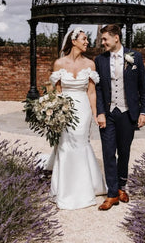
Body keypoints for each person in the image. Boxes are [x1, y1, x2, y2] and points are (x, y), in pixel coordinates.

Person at [47, 27, 107, 210]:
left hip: (82, 108)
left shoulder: (90, 64)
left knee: (80, 141)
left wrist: (96, 113)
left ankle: (84, 187)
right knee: (66, 143)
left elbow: (91, 92)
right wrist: (54, 111)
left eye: (87, 39)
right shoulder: (59, 63)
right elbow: (56, 91)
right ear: (73, 41)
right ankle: (65, 189)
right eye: (84, 39)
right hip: (65, 107)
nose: (87, 42)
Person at [95, 24, 145, 211]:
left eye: (105, 39)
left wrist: (143, 112)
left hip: (128, 112)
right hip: (108, 114)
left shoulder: (135, 57)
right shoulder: (99, 60)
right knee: (108, 152)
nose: (102, 43)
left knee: (124, 152)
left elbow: (143, 86)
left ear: (116, 37)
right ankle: (111, 194)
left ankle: (121, 187)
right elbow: (99, 89)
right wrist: (100, 112)